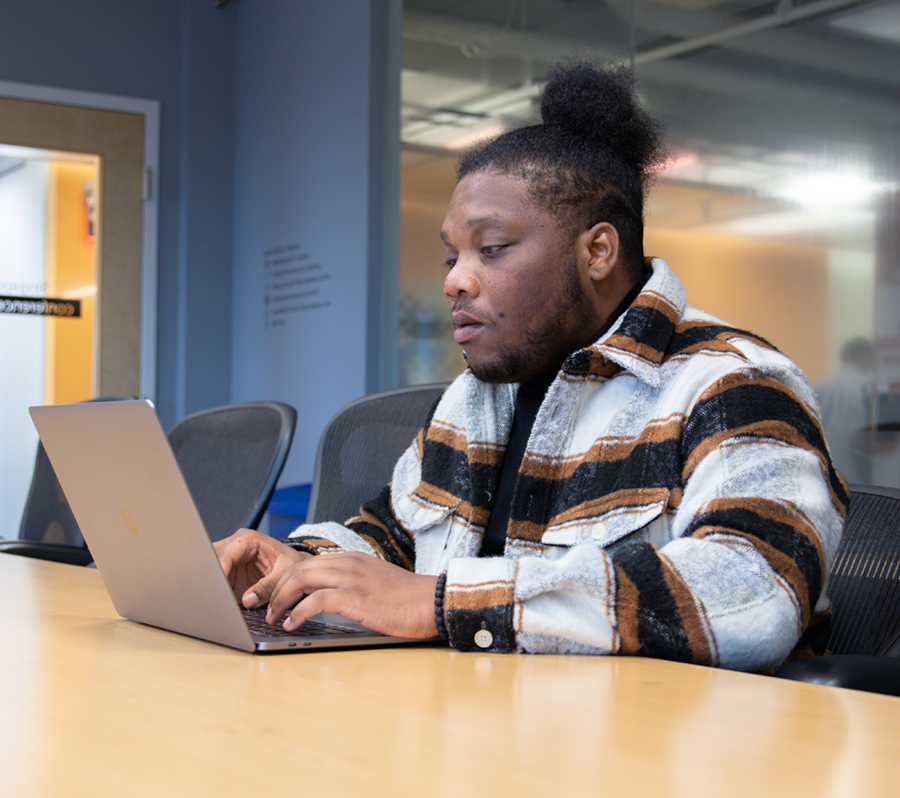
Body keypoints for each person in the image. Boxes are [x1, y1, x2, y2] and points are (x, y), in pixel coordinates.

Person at [216, 60, 847, 671]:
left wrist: (443, 604)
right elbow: (395, 538)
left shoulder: (731, 382)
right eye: (452, 257)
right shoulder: (477, 397)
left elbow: (757, 589)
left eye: (491, 250)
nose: (456, 281)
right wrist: (297, 563)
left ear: (598, 250)